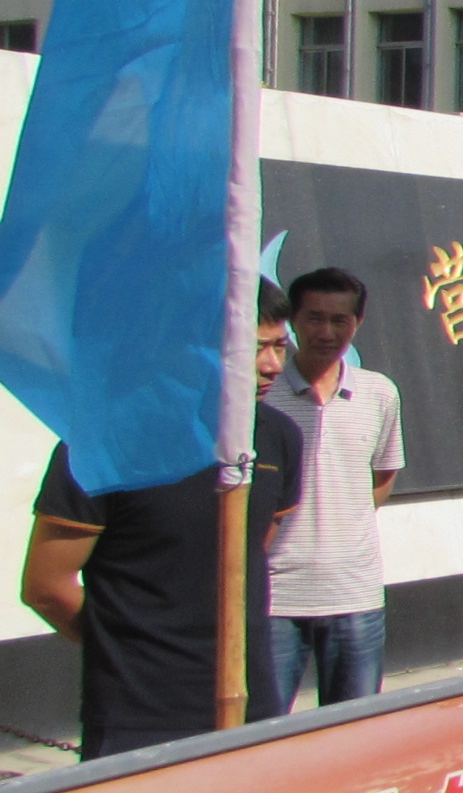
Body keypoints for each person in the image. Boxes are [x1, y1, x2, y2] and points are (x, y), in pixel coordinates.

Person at [19, 282, 303, 759]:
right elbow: (46, 586)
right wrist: (128, 649)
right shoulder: (107, 439)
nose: (273, 365)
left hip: (250, 706)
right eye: (255, 348)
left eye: (279, 346)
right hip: (139, 717)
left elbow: (254, 549)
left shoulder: (279, 437)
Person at [258, 268, 404, 716]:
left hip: (354, 595)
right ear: (292, 322)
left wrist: (343, 521)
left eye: (340, 320)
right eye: (314, 318)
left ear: (358, 323)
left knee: (355, 733)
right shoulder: (262, 394)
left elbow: (382, 475)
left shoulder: (379, 394)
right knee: (262, 733)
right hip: (274, 597)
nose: (326, 332)